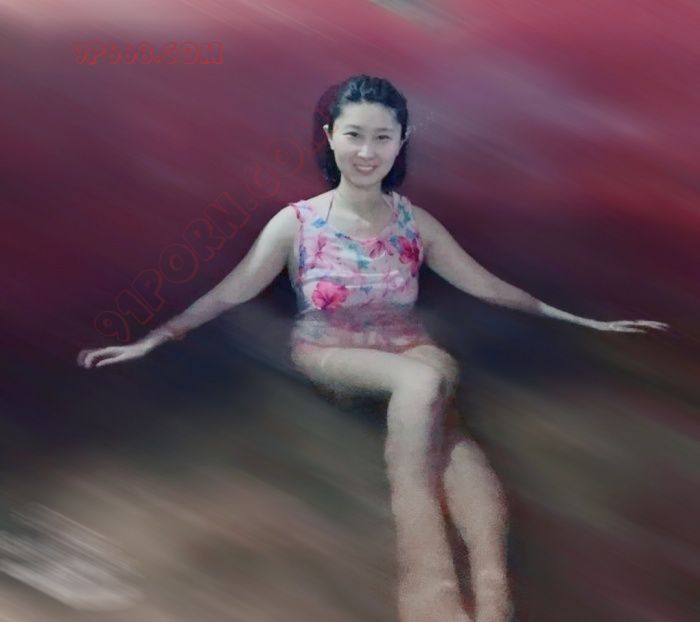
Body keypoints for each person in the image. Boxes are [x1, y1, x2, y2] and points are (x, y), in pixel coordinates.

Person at [77, 75, 668, 622]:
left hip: (408, 349)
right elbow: (232, 291)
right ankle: (428, 579)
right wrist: (154, 339)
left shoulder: (414, 223)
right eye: (354, 135)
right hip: (329, 351)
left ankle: (492, 593)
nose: (367, 151)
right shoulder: (298, 223)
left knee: (446, 417)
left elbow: (488, 285)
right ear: (330, 136)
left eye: (382, 137)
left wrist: (589, 322)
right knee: (425, 383)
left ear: (400, 141)